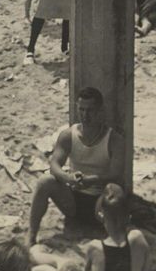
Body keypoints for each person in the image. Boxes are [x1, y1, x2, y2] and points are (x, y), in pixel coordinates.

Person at [28, 86, 126, 245]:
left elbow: (116, 174)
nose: (85, 115)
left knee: (116, 190)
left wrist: (91, 180)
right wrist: (68, 177)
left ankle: (113, 240)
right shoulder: (68, 135)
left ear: (100, 111)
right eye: (82, 109)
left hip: (100, 203)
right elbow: (54, 165)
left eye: (90, 110)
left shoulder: (114, 139)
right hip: (72, 200)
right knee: (44, 181)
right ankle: (31, 235)